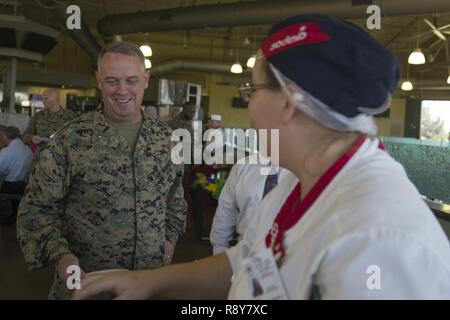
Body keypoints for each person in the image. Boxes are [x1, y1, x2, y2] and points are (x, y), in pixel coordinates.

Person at [73, 15, 450, 300]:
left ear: (288, 103)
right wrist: (148, 281)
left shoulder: (379, 239)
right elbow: (249, 262)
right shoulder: (300, 179)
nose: (249, 103)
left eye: (252, 88)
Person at [17, 41, 187, 299]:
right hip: (87, 287)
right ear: (98, 79)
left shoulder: (168, 140)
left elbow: (175, 200)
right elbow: (36, 211)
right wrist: (61, 257)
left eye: (131, 80)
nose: (122, 90)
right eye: (111, 81)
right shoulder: (70, 140)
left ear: (146, 79)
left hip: (149, 286)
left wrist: (169, 240)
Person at [210, 154, 288, 254]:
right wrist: (219, 249)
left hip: (287, 255)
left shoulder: (300, 173)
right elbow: (226, 211)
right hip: (245, 253)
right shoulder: (243, 166)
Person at [22, 88, 76, 153]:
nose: (43, 101)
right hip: (42, 156)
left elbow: (76, 136)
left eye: (46, 98)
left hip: (62, 156)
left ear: (55, 99)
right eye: (42, 99)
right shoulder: (38, 116)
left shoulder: (70, 116)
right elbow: (25, 135)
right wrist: (31, 138)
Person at [0, 126, 32, 224]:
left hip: (8, 186)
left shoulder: (7, 151)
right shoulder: (28, 150)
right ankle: (14, 215)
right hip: (23, 186)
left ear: (5, 136)